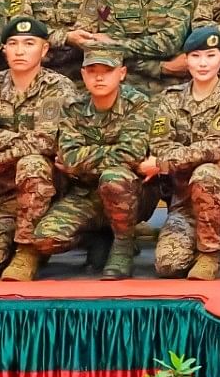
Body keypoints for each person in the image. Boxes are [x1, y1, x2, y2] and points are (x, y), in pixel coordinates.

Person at [0, 17, 82, 280]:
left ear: (45, 49)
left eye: (29, 43)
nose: (19, 50)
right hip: (3, 192)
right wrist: (25, 141)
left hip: (48, 189)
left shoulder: (59, 87)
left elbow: (50, 142)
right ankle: (15, 236)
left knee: (33, 163)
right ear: (3, 49)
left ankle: (27, 250)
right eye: (13, 43)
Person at [30, 44, 161, 280]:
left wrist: (85, 159)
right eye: (92, 71)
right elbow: (69, 157)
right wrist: (111, 157)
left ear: (121, 73)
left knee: (114, 178)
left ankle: (123, 244)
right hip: (86, 193)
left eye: (107, 71)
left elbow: (131, 153)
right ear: (83, 75)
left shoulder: (139, 105)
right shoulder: (73, 108)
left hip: (130, 192)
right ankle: (97, 236)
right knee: (44, 240)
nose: (99, 77)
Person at [147, 24, 220, 280]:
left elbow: (216, 145)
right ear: (186, 59)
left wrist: (166, 161)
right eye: (195, 56)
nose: (203, 63)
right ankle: (211, 235)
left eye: (211, 55)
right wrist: (208, 155)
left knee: (207, 173)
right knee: (168, 266)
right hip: (184, 197)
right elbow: (159, 145)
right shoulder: (171, 98)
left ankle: (210, 254)